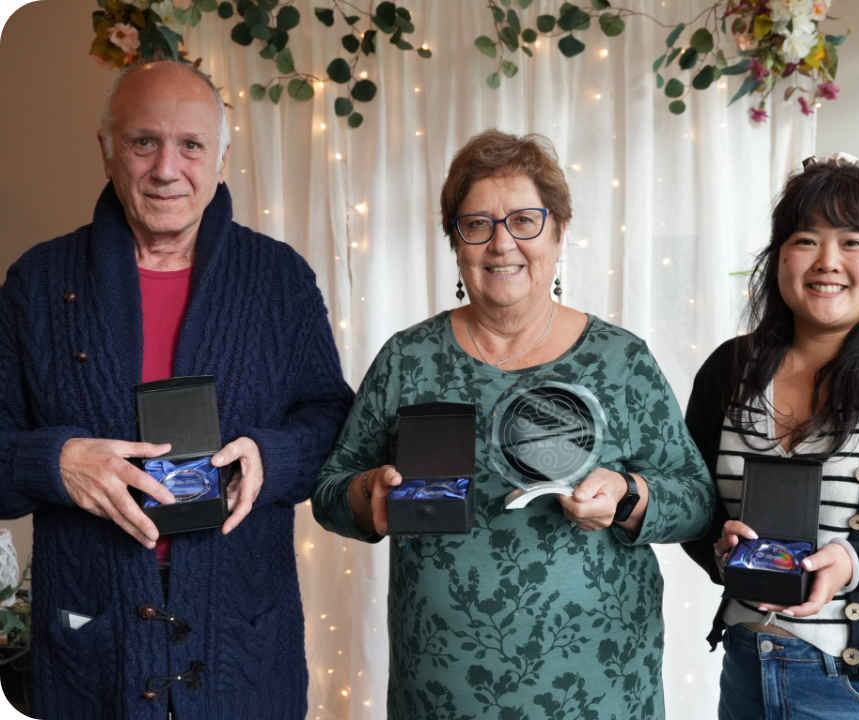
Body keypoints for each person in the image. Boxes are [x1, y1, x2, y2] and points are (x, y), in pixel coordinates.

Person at [312, 129, 714, 719]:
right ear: (456, 242)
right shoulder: (408, 358)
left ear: (558, 231)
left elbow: (697, 498)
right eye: (476, 224)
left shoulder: (620, 360)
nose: (502, 244)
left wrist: (629, 495)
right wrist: (368, 495)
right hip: (443, 684)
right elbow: (330, 488)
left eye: (524, 220)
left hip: (598, 685)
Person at [0, 58, 353, 720]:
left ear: (221, 156)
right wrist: (55, 462)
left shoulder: (279, 279)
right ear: (107, 152)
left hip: (243, 647)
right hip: (88, 655)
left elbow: (333, 419)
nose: (166, 168)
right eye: (143, 142)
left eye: (190, 145)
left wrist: (272, 458)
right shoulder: (37, 284)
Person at [682, 154, 859, 719]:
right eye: (805, 239)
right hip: (747, 669)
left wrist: (857, 562)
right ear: (778, 257)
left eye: (853, 241)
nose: (827, 261)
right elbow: (688, 502)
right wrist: (718, 547)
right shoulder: (728, 369)